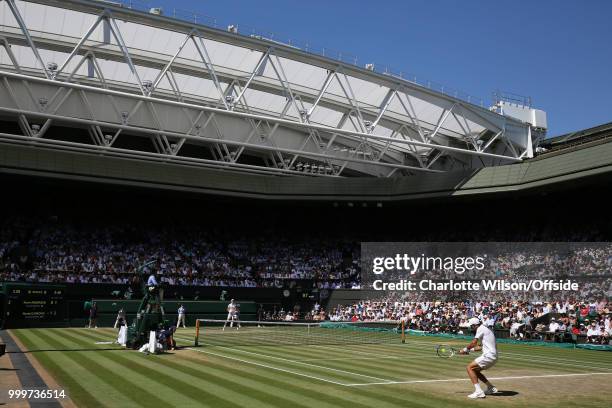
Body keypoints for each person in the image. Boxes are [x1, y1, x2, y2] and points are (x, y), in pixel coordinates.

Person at [460, 317, 498, 399]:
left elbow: (474, 343)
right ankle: (491, 387)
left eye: (471, 326)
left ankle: (479, 392)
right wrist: (469, 351)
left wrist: (466, 349)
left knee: (469, 367)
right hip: (494, 356)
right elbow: (480, 347)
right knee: (475, 371)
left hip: (489, 355)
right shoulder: (485, 329)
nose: (470, 328)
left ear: (474, 325)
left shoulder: (480, 329)